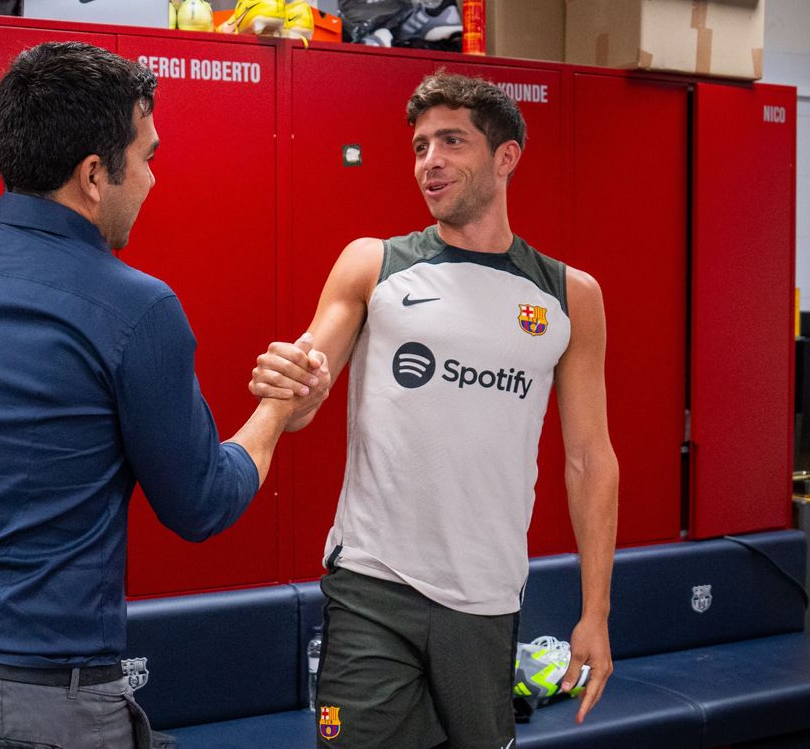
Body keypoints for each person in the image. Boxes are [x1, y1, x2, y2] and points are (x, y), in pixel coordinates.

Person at [0, 41, 327, 749]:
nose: (154, 179)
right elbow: (203, 505)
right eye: (149, 156)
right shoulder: (136, 309)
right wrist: (278, 413)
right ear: (95, 174)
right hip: (35, 706)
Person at [250, 72, 619, 748]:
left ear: (505, 157)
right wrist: (287, 383)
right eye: (420, 146)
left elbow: (589, 459)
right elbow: (306, 396)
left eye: (452, 142)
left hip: (486, 598)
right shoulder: (375, 265)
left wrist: (595, 612)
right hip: (372, 586)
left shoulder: (570, 296)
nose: (430, 162)